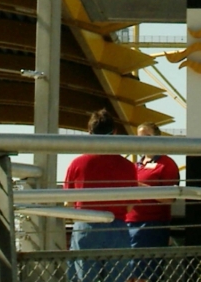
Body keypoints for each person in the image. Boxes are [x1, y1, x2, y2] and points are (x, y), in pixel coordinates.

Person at [64, 109, 138, 282]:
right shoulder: (127, 166)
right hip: (117, 226)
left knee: (84, 277)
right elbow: (129, 205)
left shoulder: (77, 163)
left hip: (85, 225)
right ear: (114, 132)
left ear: (89, 133)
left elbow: (68, 201)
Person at [126, 122, 180, 281]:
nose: (142, 140)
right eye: (139, 137)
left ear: (157, 138)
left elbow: (170, 198)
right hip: (129, 224)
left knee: (146, 272)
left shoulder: (167, 164)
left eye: (147, 136)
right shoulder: (136, 165)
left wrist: (140, 187)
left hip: (152, 225)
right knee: (129, 273)